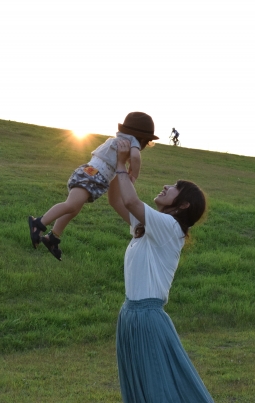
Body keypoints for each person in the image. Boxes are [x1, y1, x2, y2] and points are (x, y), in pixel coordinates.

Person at [108, 138, 214, 403]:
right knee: (141, 387)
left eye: (176, 188)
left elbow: (131, 202)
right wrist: (119, 171)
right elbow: (116, 200)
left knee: (158, 388)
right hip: (130, 314)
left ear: (184, 205)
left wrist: (123, 165)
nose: (167, 186)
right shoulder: (149, 227)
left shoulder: (170, 227)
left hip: (148, 317)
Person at [28, 112, 159, 261]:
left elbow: (115, 194)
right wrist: (134, 173)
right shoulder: (132, 140)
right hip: (92, 176)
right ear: (143, 139)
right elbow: (135, 157)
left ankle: (52, 237)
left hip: (89, 174)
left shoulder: (117, 142)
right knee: (71, 205)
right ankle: (38, 223)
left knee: (74, 208)